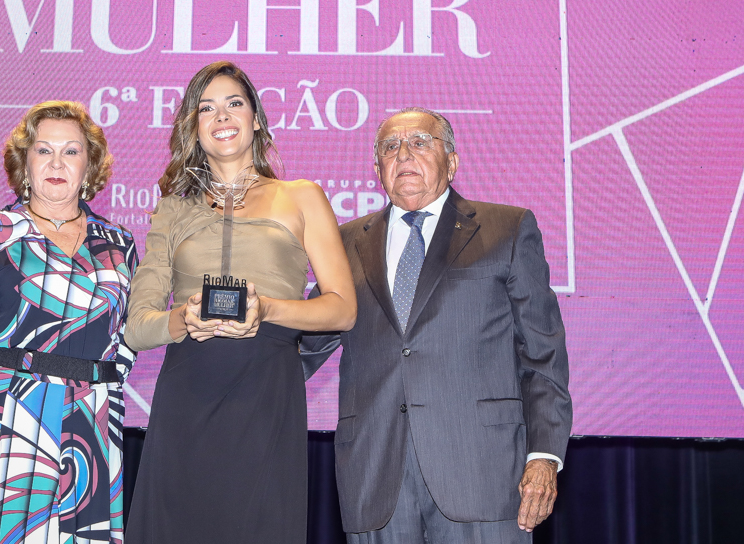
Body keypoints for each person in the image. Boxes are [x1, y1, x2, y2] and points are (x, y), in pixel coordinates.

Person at [301, 108, 572, 544]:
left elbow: (542, 354)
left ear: (452, 161)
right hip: (375, 473)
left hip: (482, 472)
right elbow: (303, 345)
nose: (403, 154)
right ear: (377, 169)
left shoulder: (507, 229)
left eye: (420, 142)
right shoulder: (346, 243)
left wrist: (543, 456)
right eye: (390, 147)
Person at [124, 61, 357, 544]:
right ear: (193, 127)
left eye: (234, 103)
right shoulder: (172, 208)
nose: (222, 116)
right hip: (186, 397)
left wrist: (267, 309)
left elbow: (342, 309)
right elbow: (137, 328)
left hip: (267, 395)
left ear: (256, 118)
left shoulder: (302, 196)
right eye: (206, 108)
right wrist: (182, 319)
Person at [0, 101, 138, 544]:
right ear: (25, 163)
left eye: (71, 151)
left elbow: (128, 339)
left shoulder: (120, 245)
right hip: (3, 422)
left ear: (90, 165)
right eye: (44, 151)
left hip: (91, 427)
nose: (57, 163)